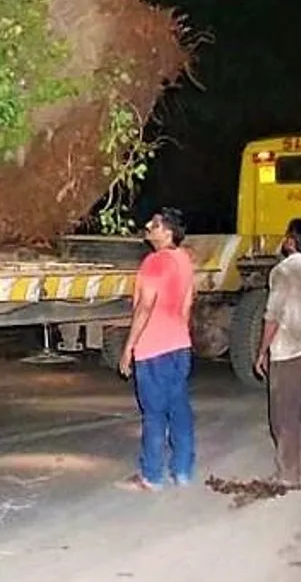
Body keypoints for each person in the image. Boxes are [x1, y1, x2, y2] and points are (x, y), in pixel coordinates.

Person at [117, 207, 197, 492]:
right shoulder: (185, 260)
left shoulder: (154, 262)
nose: (148, 226)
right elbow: (187, 305)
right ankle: (183, 470)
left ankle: (151, 476)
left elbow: (144, 307)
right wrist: (178, 335)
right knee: (179, 409)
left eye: (155, 224)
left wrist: (129, 347)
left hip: (153, 349)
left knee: (153, 414)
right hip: (179, 345)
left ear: (167, 232)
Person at [253, 217, 301, 485]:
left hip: (288, 351)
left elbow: (273, 314)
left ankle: (288, 473)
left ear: (292, 241)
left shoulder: (282, 272)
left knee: (283, 415)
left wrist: (262, 351)